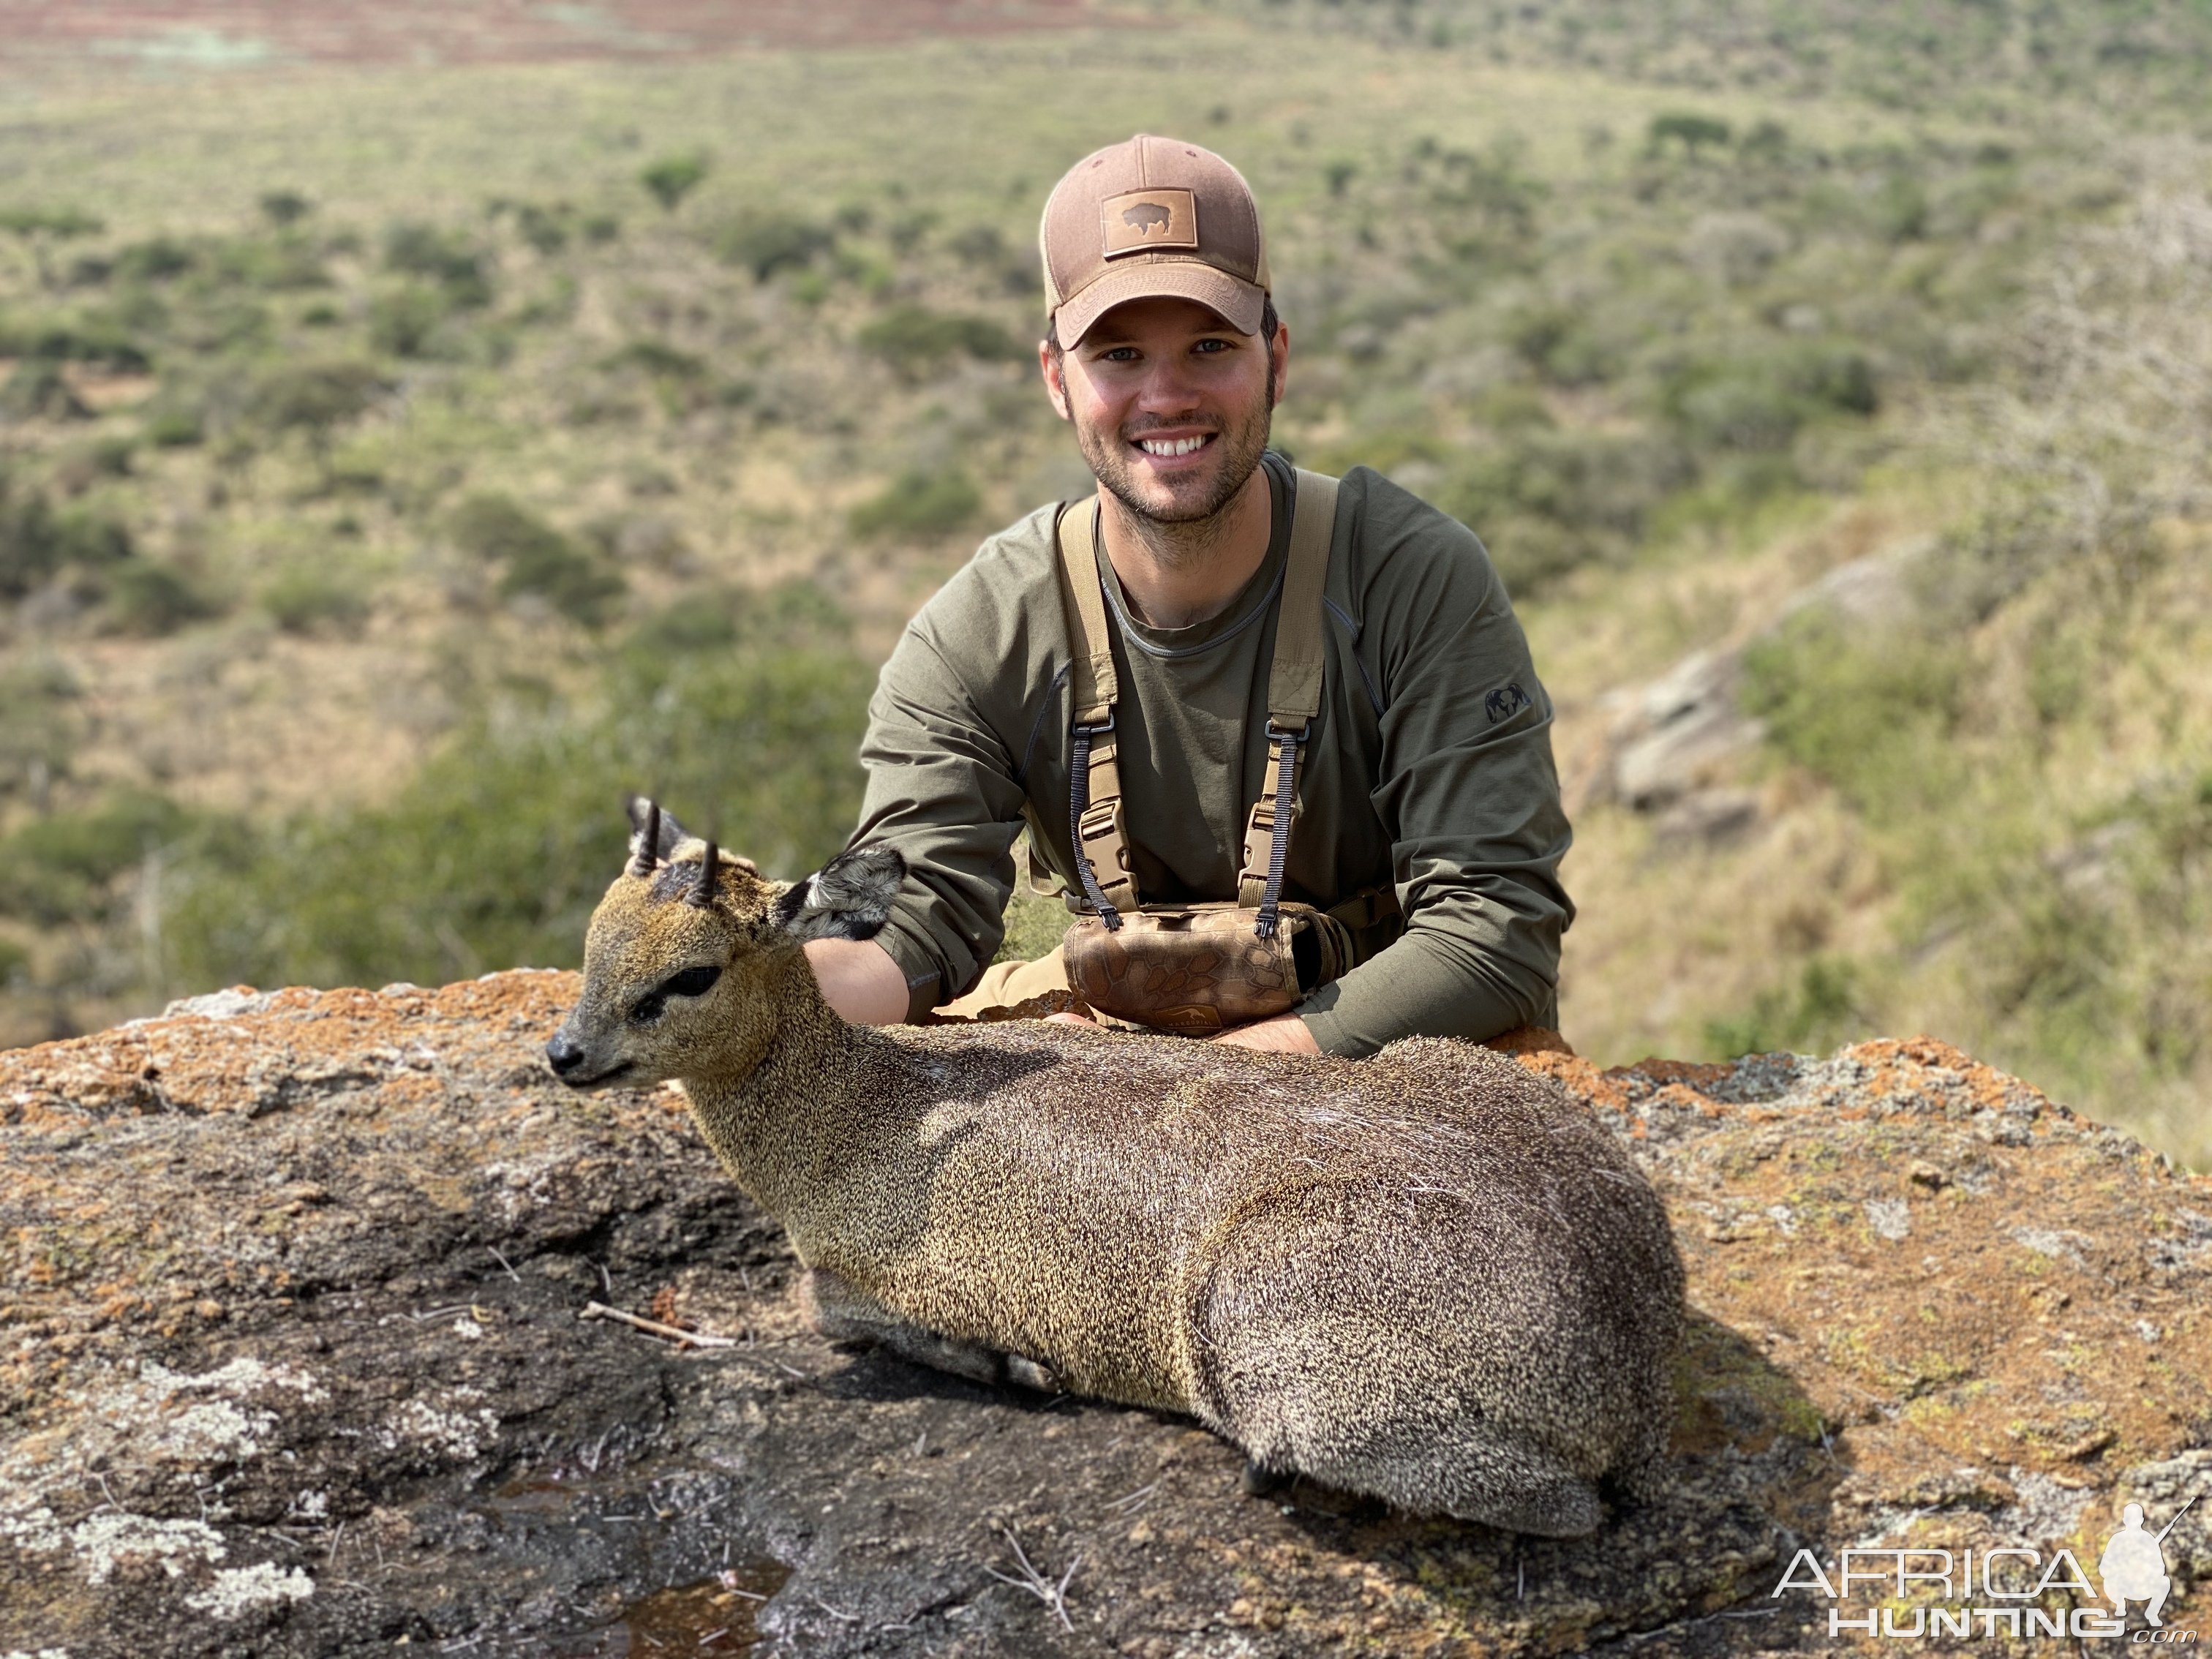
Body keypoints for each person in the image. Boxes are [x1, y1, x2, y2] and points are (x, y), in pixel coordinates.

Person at [802, 133, 1572, 1056]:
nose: (1167, 396)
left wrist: (1214, 1095)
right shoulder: (979, 631)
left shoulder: (1412, 576)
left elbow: (1496, 930)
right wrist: (748, 998)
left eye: (1210, 346)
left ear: (1277, 361)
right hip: (1127, 1082)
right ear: (1057, 380)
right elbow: (912, 917)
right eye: (1119, 356)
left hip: (1380, 1086)